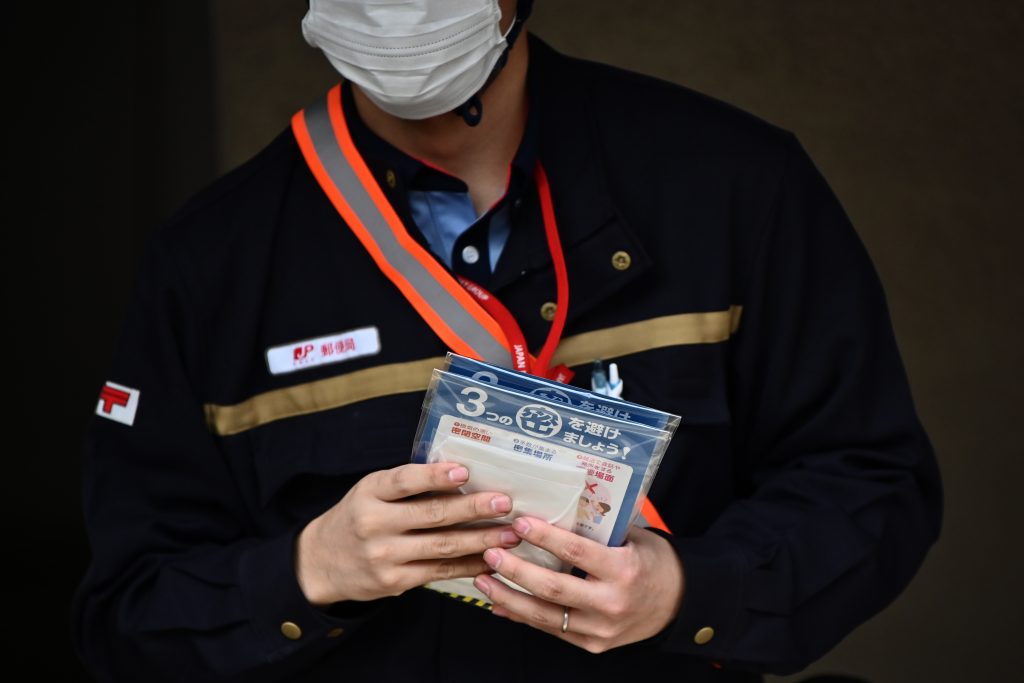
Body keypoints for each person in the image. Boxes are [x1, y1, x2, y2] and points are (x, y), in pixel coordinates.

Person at [72, 1, 942, 681]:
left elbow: (872, 479)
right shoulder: (210, 263)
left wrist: (688, 590)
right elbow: (127, 618)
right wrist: (310, 569)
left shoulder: (733, 184)